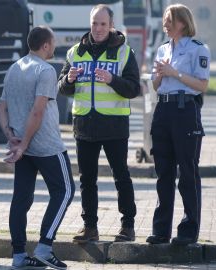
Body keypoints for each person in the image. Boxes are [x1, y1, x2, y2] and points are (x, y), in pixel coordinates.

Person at [58, 4, 140, 243]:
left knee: (121, 177)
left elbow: (134, 89)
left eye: (103, 24)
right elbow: (62, 87)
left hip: (114, 125)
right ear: (90, 23)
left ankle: (128, 226)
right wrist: (69, 80)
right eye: (95, 23)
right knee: (87, 179)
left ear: (111, 25)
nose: (98, 28)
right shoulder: (76, 52)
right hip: (84, 125)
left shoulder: (125, 52)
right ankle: (90, 227)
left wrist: (113, 79)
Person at [0, 26, 75, 270]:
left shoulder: (14, 68)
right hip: (47, 146)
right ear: (45, 46)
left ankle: (19, 256)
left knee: (20, 200)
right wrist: (25, 144)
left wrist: (11, 137)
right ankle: (44, 247)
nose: (54, 47)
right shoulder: (46, 70)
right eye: (52, 43)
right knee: (65, 192)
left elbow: (1, 108)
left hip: (21, 145)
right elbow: (38, 111)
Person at [146, 3, 210, 246]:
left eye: (169, 19)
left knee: (187, 172)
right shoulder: (161, 49)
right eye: (164, 18)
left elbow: (202, 85)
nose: (165, 23)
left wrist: (175, 73)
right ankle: (160, 229)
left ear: (182, 22)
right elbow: (154, 84)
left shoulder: (198, 49)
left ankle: (188, 230)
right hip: (163, 109)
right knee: (164, 172)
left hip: (185, 110)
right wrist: (161, 75)